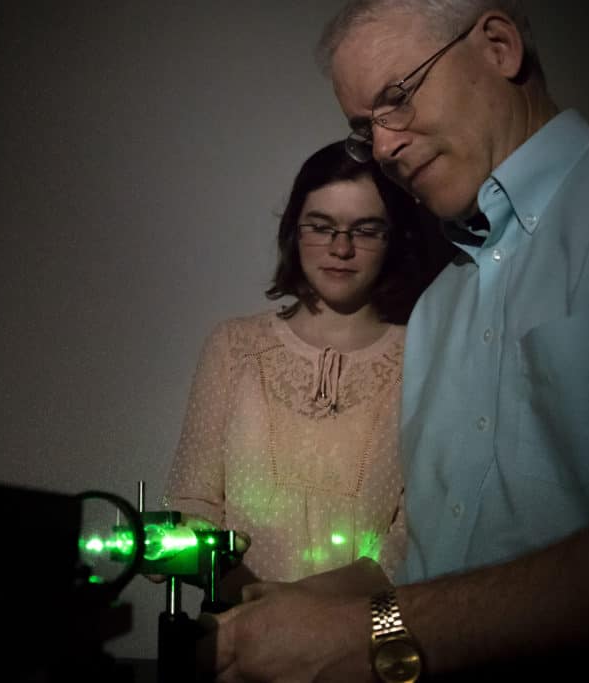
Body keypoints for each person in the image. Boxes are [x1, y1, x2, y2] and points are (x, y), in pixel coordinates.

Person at [202, 1, 589, 681]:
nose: (383, 147)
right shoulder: (438, 308)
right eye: (363, 128)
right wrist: (301, 610)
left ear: (498, 46)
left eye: (398, 98)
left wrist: (362, 636)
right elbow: (430, 581)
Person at [160, 141, 450, 599]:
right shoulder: (234, 346)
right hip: (237, 638)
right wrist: (171, 550)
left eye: (366, 230)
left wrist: (308, 606)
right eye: (322, 226)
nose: (341, 248)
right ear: (295, 230)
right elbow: (194, 497)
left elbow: (418, 532)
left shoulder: (428, 358)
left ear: (394, 238)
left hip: (356, 647)